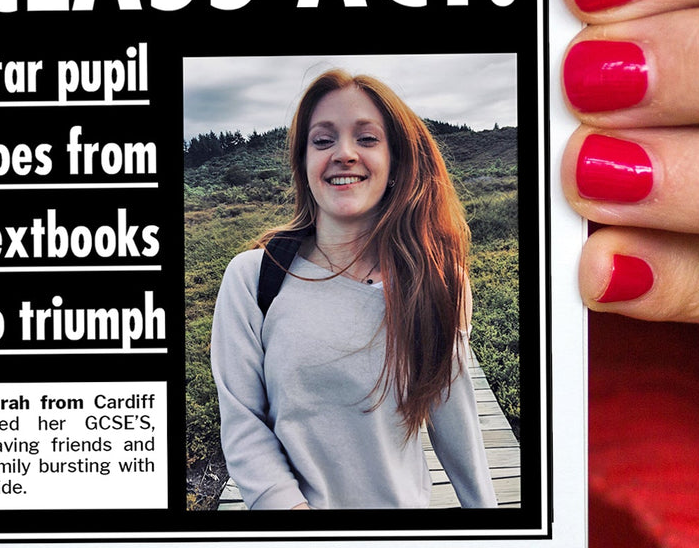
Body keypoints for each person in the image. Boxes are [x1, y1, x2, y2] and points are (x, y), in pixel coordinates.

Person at [211, 68, 498, 510]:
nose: (344, 154)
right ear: (304, 164)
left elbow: (455, 421)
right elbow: (243, 422)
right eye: (323, 141)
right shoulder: (252, 278)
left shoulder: (438, 281)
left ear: (395, 162)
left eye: (366, 139)